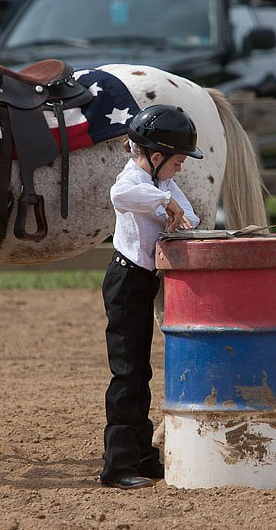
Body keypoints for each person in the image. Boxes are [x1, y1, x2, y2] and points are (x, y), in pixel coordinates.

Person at [99, 104, 202, 489]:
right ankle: (118, 464)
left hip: (142, 282)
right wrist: (166, 205)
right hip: (126, 282)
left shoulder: (162, 184)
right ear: (156, 157)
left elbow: (189, 216)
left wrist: (177, 211)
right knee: (127, 373)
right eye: (177, 162)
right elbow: (121, 193)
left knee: (140, 371)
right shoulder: (133, 180)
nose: (180, 170)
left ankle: (142, 456)